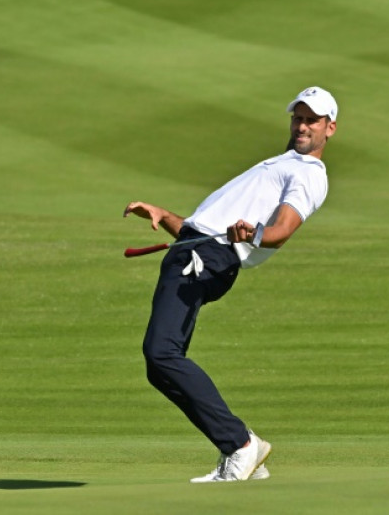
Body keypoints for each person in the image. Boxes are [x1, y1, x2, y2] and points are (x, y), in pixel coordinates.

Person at [124, 86, 337, 482]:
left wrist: (254, 232)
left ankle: (240, 444)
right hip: (196, 252)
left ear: (330, 128)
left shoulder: (308, 174)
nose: (303, 125)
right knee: (160, 367)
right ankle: (239, 449)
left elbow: (282, 230)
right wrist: (164, 214)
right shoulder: (282, 162)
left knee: (161, 352)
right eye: (298, 117)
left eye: (312, 120)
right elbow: (202, 228)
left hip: (205, 260)